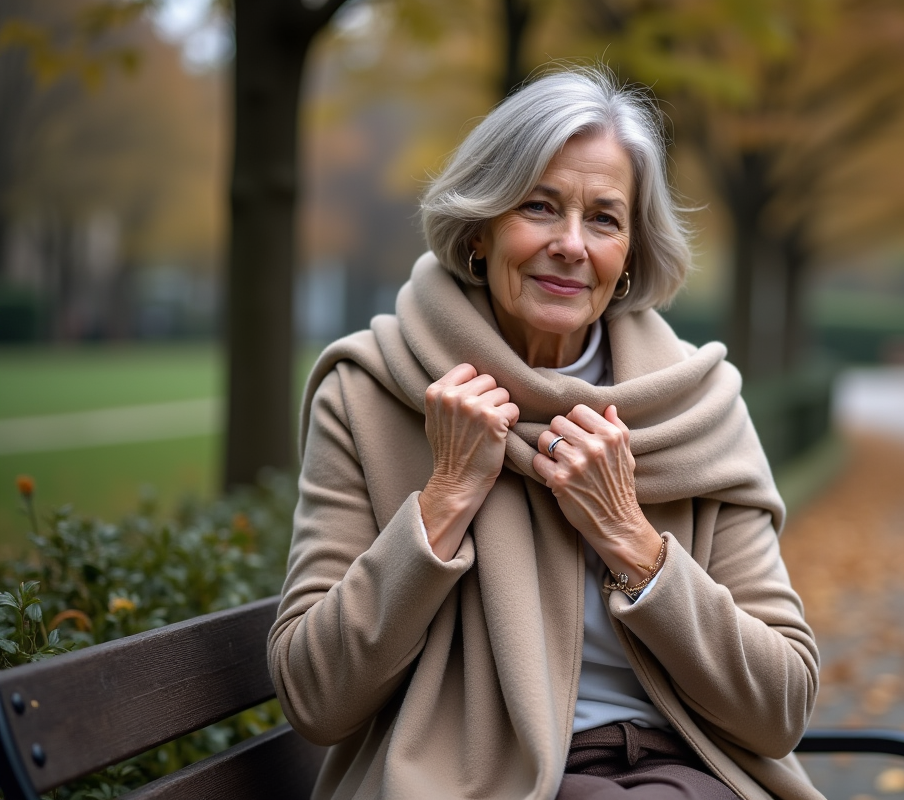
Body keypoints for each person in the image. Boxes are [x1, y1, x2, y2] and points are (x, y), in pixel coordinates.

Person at [268, 67, 823, 800]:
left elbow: (781, 708)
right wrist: (446, 499)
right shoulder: (370, 390)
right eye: (539, 206)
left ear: (628, 257)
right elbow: (315, 696)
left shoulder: (698, 411)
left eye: (603, 218)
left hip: (691, 770)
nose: (570, 244)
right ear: (479, 230)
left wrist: (632, 539)